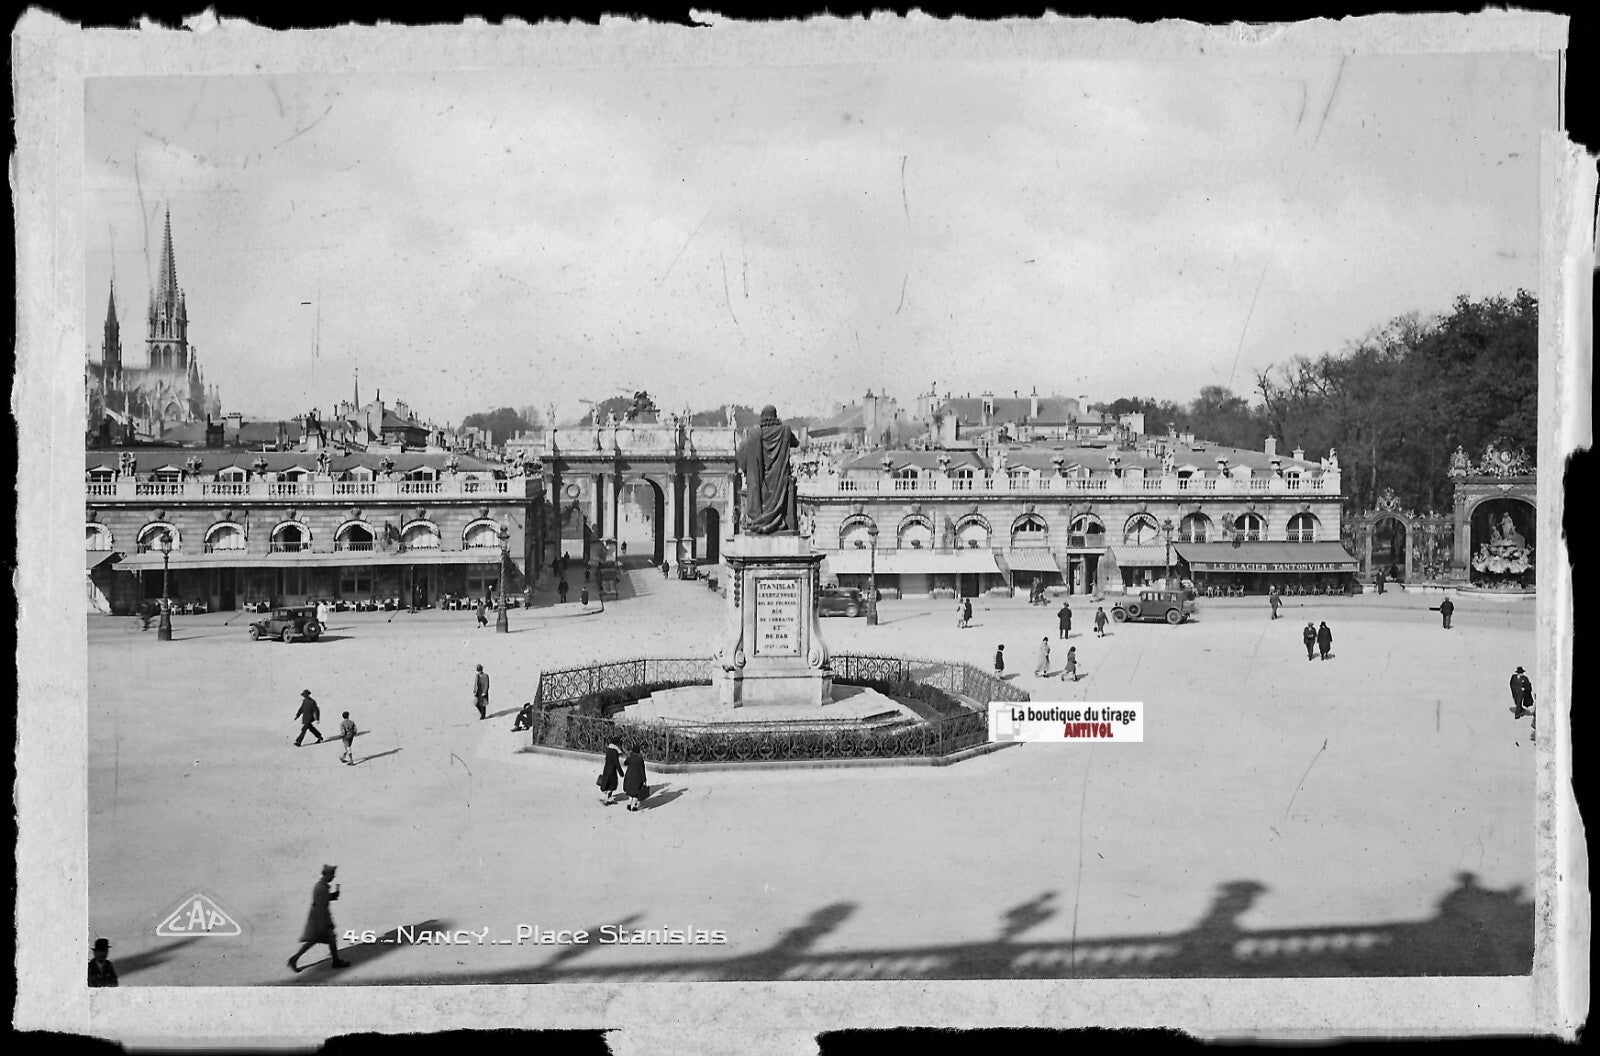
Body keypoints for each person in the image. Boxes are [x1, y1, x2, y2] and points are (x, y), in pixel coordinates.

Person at [735, 404, 802, 534]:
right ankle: (776, 522)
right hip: (780, 482)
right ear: (775, 416)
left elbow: (741, 454)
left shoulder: (754, 434)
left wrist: (747, 469)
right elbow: (796, 443)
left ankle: (760, 521)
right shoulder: (785, 430)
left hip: (760, 484)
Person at [288, 865, 349, 972]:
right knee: (328, 938)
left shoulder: (321, 886)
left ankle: (295, 958)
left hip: (318, 916)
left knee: (318, 940)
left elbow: (325, 898)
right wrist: (324, 925)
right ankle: (335, 961)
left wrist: (334, 895)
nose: (333, 877)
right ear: (327, 874)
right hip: (320, 918)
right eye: (332, 875)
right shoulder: (321, 888)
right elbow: (321, 906)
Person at [622, 743, 648, 811]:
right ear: (639, 751)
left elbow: (625, 763)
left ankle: (629, 804)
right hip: (637, 778)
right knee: (636, 793)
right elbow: (642, 771)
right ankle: (634, 806)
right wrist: (644, 780)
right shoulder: (640, 759)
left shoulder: (630, 757)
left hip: (629, 777)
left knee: (631, 792)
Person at [597, 737, 623, 804]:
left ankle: (606, 797)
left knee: (606, 783)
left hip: (606, 769)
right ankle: (607, 799)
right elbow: (616, 762)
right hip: (612, 770)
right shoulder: (614, 752)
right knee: (612, 784)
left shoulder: (609, 750)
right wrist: (621, 772)